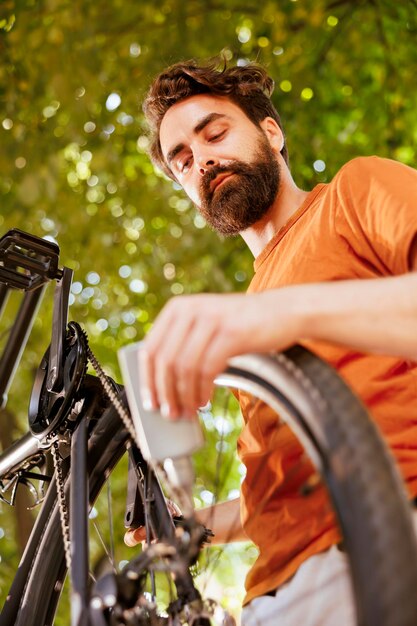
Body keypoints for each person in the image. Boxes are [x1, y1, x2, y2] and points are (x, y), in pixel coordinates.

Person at [125, 59, 417, 625]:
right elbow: (282, 489)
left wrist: (276, 316)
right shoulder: (252, 315)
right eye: (183, 161)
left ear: (272, 134)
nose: (202, 159)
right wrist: (195, 528)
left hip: (381, 539)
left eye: (215, 134)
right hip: (269, 595)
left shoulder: (355, 192)